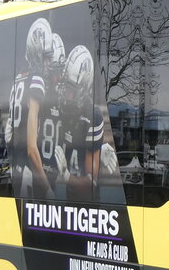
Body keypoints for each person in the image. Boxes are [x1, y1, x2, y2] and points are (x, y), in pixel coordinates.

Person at [7, 17, 66, 198]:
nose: (48, 64)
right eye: (46, 58)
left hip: (15, 168)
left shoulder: (18, 79)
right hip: (29, 176)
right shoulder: (36, 79)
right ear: (37, 54)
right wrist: (47, 189)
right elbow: (32, 148)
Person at [56, 43, 119, 201]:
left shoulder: (92, 116)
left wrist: (66, 176)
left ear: (83, 89)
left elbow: (90, 185)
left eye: (72, 90)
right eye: (66, 86)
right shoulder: (61, 107)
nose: (67, 95)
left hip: (87, 209)